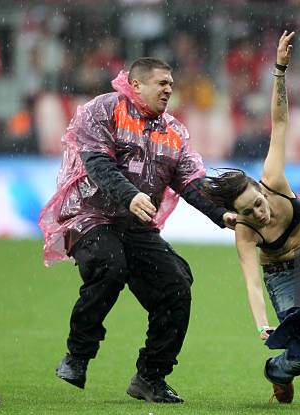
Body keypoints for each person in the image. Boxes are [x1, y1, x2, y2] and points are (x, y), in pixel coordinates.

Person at [38, 58, 235, 403]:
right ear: (136, 84)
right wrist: (129, 195)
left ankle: (150, 377)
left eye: (171, 84)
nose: (169, 89)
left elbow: (191, 182)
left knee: (176, 287)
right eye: (161, 83)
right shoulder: (104, 109)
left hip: (136, 225)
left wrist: (223, 214)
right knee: (110, 266)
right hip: (90, 216)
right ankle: (77, 356)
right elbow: (96, 161)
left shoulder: (174, 131)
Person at [202, 31, 300, 403]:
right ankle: (278, 372)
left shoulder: (275, 180)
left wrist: (279, 69)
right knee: (296, 352)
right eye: (249, 213)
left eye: (258, 204)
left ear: (259, 188)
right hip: (280, 275)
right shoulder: (245, 232)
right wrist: (263, 325)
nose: (259, 213)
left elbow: (280, 121)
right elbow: (252, 282)